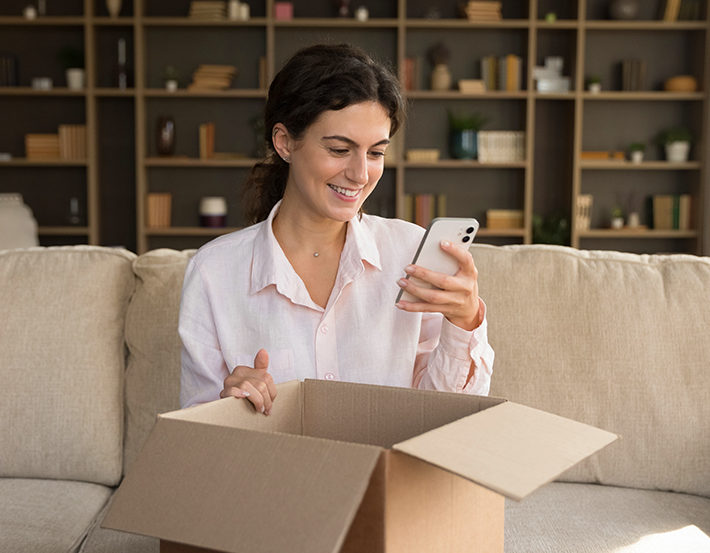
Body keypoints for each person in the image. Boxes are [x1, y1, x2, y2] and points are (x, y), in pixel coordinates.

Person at [179, 44, 494, 414]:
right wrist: (227, 407)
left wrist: (465, 321)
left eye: (375, 152)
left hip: (389, 469)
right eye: (339, 149)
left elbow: (445, 417)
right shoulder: (213, 273)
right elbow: (195, 434)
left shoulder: (410, 254)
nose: (360, 175)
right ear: (284, 142)